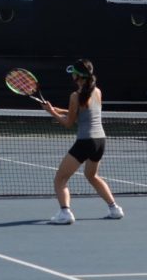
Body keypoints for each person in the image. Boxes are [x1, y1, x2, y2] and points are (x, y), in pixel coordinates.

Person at [42, 59, 124, 225]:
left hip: (85, 142)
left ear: (77, 76)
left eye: (73, 72)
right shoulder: (97, 92)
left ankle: (65, 213)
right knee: (92, 175)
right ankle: (115, 209)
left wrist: (51, 112)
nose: (71, 75)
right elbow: (85, 112)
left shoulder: (75, 96)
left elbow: (68, 123)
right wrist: (59, 109)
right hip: (100, 141)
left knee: (60, 179)